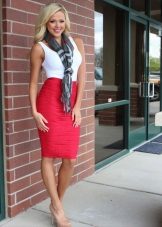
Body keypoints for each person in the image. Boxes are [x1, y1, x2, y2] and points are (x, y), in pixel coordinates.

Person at [29, 2, 86, 227]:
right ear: (45, 22)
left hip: (71, 101)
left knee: (70, 159)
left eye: (61, 20)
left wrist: (78, 106)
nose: (57, 25)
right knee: (49, 155)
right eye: (52, 21)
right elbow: (33, 83)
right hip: (49, 103)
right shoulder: (40, 47)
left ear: (66, 21)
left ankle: (55, 204)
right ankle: (58, 209)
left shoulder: (77, 42)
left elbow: (82, 78)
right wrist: (34, 112)